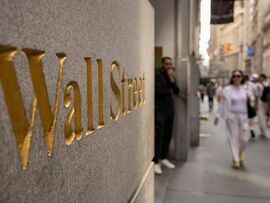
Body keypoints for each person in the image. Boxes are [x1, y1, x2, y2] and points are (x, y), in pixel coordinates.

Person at [214, 70, 254, 169]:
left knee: (245, 138)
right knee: (233, 138)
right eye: (234, 76)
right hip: (231, 116)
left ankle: (239, 152)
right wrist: (217, 116)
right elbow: (222, 103)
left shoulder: (246, 88)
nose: (236, 78)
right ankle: (235, 159)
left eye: (238, 76)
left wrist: (252, 100)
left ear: (242, 77)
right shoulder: (227, 89)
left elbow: (252, 100)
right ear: (232, 78)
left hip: (243, 116)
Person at [154, 57, 179, 175]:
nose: (168, 66)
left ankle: (164, 158)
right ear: (162, 64)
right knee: (159, 135)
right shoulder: (157, 74)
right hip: (159, 110)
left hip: (170, 110)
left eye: (170, 64)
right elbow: (158, 91)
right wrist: (169, 91)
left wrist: (171, 79)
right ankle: (156, 161)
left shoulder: (171, 75)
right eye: (166, 64)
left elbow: (177, 91)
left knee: (168, 135)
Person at [257, 74, 269, 138]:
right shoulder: (267, 84)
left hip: (262, 102)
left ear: (263, 78)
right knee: (264, 117)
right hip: (267, 102)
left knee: (261, 117)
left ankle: (263, 132)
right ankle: (263, 132)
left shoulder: (259, 85)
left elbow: (257, 95)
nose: (259, 79)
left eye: (260, 77)